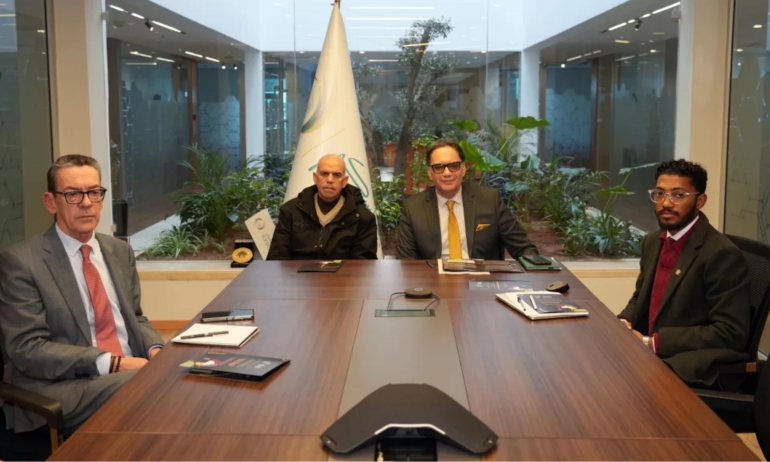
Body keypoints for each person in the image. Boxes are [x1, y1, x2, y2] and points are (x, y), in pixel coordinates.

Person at [0, 155, 164, 435]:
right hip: (64, 387)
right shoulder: (22, 262)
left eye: (94, 192)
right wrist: (113, 363)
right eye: (73, 194)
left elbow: (136, 318)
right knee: (155, 386)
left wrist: (156, 350)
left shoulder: (119, 251)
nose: (86, 203)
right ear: (51, 202)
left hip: (129, 371)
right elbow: (27, 349)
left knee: (188, 376)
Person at [619, 159, 750, 387]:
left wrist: (653, 343)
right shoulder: (653, 241)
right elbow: (640, 296)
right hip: (646, 355)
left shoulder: (721, 254)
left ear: (700, 201)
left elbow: (731, 332)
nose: (666, 203)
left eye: (678, 195)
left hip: (683, 363)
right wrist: (623, 323)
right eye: (660, 194)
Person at [396, 140, 537, 260]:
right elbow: (405, 261)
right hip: (434, 278)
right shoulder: (413, 207)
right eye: (438, 167)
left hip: (481, 278)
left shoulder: (489, 200)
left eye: (454, 166)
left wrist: (535, 270)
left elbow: (523, 248)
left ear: (463, 169)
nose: (447, 173)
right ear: (429, 173)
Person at [267, 153, 377, 260]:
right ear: (315, 178)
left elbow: (364, 265)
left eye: (336, 175)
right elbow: (276, 259)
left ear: (344, 181)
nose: (330, 180)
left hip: (343, 273)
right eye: (324, 173)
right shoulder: (290, 211)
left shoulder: (363, 218)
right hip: (296, 272)